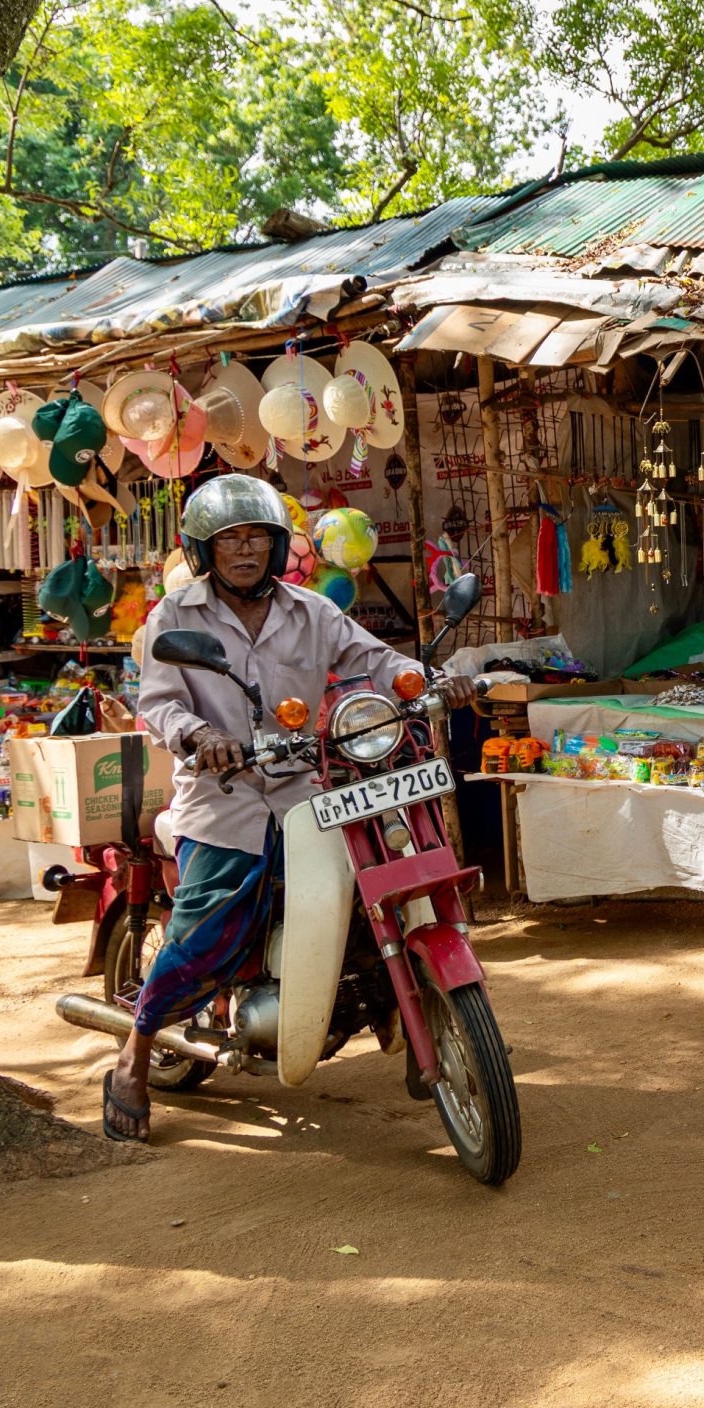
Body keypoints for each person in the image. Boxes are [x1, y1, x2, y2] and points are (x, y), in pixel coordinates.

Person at [100, 473, 472, 1143]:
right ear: (203, 549)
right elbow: (157, 701)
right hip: (224, 800)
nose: (244, 551)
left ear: (277, 547)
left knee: (376, 882)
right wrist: (199, 735)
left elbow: (375, 657)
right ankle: (135, 1047)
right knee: (204, 928)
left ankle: (400, 1009)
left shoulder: (312, 611)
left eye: (257, 538)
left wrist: (432, 681)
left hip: (306, 790)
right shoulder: (176, 615)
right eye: (229, 540)